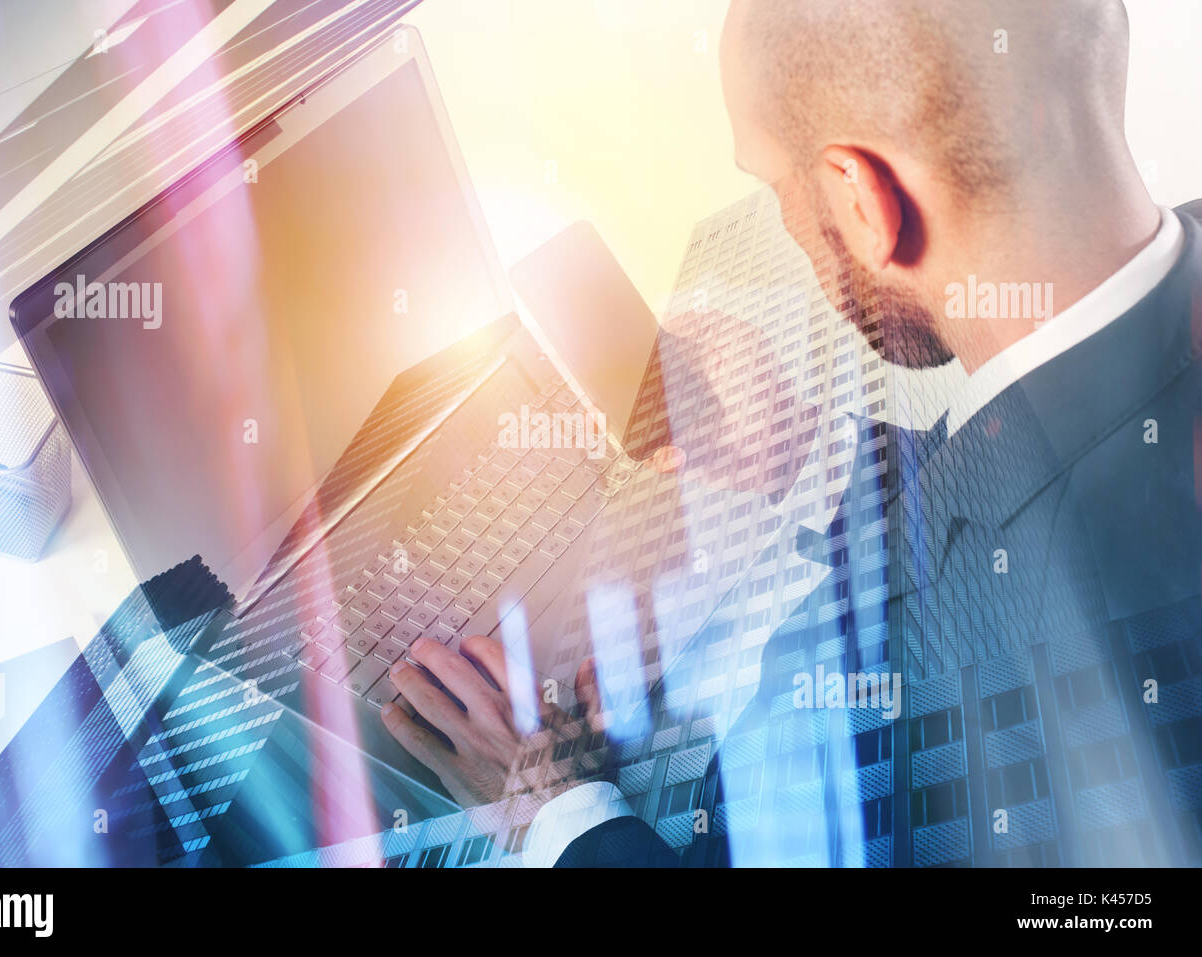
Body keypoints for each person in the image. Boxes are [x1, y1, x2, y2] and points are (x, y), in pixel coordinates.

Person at [380, 0, 1202, 866]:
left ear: (862, 195)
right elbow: (1073, 450)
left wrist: (549, 802)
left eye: (776, 185)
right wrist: (806, 447)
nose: (784, 222)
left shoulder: (911, 701)